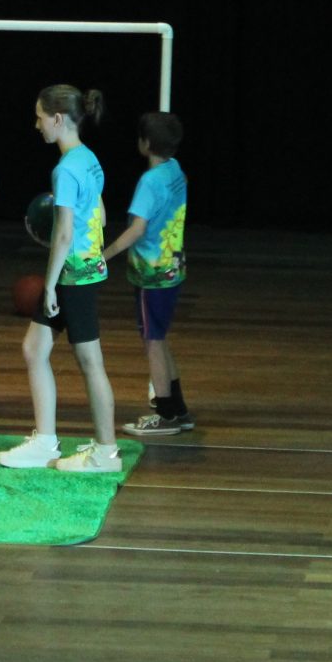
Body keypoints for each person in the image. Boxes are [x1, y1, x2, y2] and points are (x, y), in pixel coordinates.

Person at [0, 84, 118, 471]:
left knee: (90, 362)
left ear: (58, 118)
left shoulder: (65, 169)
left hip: (74, 276)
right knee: (35, 349)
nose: (37, 125)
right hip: (85, 269)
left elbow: (63, 234)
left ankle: (106, 453)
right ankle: (45, 442)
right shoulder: (88, 158)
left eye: (40, 117)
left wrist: (49, 285)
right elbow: (100, 215)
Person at [105, 110, 192, 435]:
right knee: (160, 337)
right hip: (172, 269)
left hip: (152, 276)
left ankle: (166, 414)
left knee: (153, 342)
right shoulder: (174, 169)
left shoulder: (149, 182)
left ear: (144, 143)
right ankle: (179, 410)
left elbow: (137, 229)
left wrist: (105, 255)